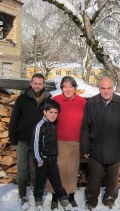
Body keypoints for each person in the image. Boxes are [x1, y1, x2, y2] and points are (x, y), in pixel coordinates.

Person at [80, 76, 120, 210]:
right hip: (95, 149)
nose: (106, 91)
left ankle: (110, 198)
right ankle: (91, 199)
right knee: (94, 178)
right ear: (99, 88)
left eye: (108, 88)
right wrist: (85, 148)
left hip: (115, 148)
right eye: (103, 88)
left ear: (113, 88)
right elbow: (85, 128)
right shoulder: (92, 103)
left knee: (112, 178)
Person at [8, 73, 51, 210]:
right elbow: (14, 118)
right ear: (31, 83)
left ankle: (36, 191)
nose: (37, 86)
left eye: (40, 83)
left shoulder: (48, 100)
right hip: (23, 139)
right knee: (22, 169)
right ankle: (22, 195)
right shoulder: (22, 99)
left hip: (38, 141)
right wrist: (13, 137)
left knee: (36, 168)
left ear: (43, 84)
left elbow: (51, 121)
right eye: (35, 83)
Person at [51, 76, 86, 210]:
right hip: (57, 141)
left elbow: (87, 122)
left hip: (75, 142)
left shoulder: (82, 102)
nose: (68, 89)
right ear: (62, 88)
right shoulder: (55, 100)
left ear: (75, 88)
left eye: (70, 86)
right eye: (65, 86)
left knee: (72, 170)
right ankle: (55, 196)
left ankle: (70, 196)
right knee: (56, 169)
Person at [32, 99, 71, 211]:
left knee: (56, 181)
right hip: (42, 159)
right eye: (51, 112)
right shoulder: (40, 126)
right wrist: (39, 159)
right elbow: (35, 144)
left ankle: (64, 200)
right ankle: (38, 201)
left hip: (52, 159)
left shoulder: (53, 124)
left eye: (56, 112)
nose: (53, 115)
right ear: (45, 112)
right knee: (39, 181)